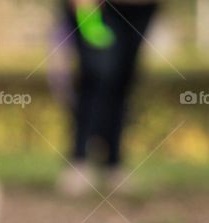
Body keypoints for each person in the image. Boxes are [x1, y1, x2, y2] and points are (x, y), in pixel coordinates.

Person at [57, 0, 159, 196]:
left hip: (142, 7)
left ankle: (114, 163)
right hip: (94, 7)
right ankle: (79, 159)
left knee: (123, 80)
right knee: (98, 74)